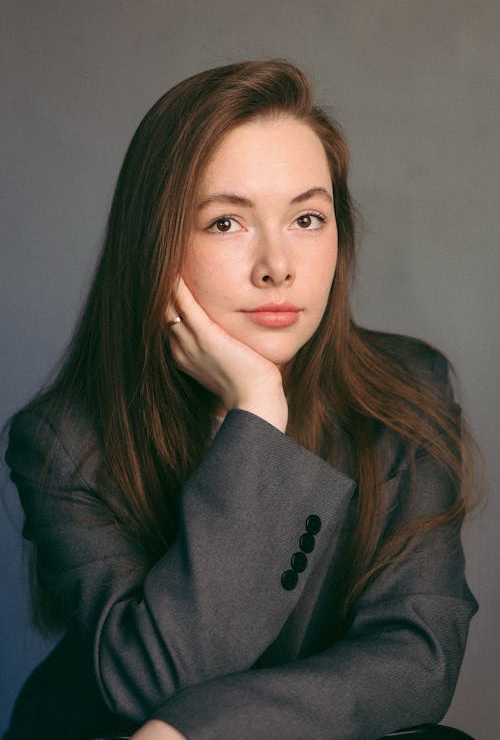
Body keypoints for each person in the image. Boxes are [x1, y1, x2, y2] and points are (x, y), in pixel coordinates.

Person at [3, 60, 478, 740]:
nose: (277, 265)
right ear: (156, 244)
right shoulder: (64, 441)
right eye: (227, 223)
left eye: (307, 218)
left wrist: (201, 730)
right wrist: (256, 416)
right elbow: (151, 682)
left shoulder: (407, 388)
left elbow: (417, 657)